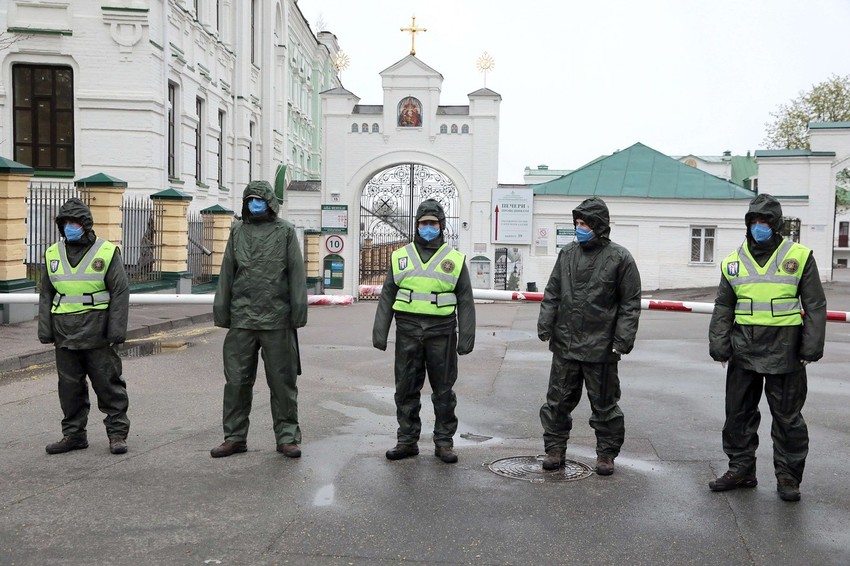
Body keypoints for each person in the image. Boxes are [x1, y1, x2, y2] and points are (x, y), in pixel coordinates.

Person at [708, 193, 826, 502]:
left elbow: (814, 304)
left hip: (785, 349)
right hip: (743, 349)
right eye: (754, 221)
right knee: (737, 414)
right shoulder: (733, 261)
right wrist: (719, 342)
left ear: (777, 225)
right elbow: (723, 306)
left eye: (765, 221)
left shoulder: (798, 256)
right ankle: (741, 469)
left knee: (787, 418)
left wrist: (811, 345)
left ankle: (788, 476)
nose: (759, 226)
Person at [537, 196, 641, 476]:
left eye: (584, 223)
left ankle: (606, 455)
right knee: (557, 402)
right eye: (577, 223)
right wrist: (546, 323)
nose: (579, 228)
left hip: (601, 348)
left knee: (605, 405)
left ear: (598, 225)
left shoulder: (620, 258)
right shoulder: (567, 254)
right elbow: (553, 292)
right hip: (566, 344)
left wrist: (622, 340)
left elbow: (630, 303)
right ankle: (555, 449)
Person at [372, 199, 475, 464]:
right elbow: (387, 295)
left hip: (442, 332)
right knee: (405, 388)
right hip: (407, 330)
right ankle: (407, 441)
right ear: (416, 226)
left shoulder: (454, 259)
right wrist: (379, 332)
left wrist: (466, 336)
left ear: (441, 226)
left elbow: (465, 299)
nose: (428, 228)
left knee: (443, 390)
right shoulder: (400, 256)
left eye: (433, 223)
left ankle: (443, 442)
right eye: (423, 223)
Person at [211, 180, 308, 459]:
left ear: (269, 202)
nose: (255, 204)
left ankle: (287, 437)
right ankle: (234, 437)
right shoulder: (237, 230)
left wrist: (298, 312)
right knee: (236, 382)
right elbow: (227, 271)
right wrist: (223, 310)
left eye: (259, 199)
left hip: (277, 319)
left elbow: (296, 274)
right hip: (242, 318)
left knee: (282, 382)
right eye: (250, 199)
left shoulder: (285, 231)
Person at [38, 198, 131, 455]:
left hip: (97, 331)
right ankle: (74, 435)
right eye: (65, 222)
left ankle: (117, 434)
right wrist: (45, 330)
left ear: (86, 224)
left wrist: (116, 331)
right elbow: (46, 294)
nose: (70, 226)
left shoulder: (107, 252)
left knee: (108, 385)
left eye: (75, 222)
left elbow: (120, 292)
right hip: (64, 331)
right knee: (69, 389)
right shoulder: (52, 253)